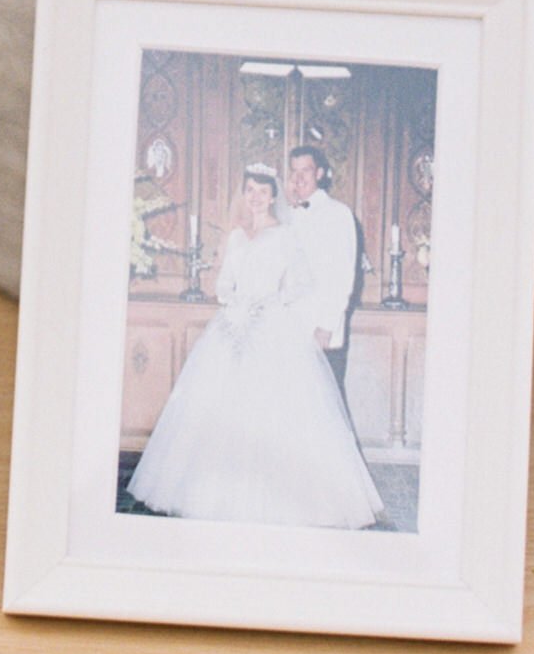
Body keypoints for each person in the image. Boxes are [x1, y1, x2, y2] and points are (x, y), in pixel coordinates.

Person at [126, 166, 384, 529]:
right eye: (250, 190)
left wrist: (271, 300)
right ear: (244, 194)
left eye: (262, 191)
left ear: (273, 196)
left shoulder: (284, 236)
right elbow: (225, 282)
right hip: (232, 325)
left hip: (271, 326)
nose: (256, 197)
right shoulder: (236, 237)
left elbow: (301, 281)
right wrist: (231, 299)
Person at [285, 141, 365, 389]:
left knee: (325, 407)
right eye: (294, 171)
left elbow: (342, 276)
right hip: (291, 329)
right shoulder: (289, 216)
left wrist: (326, 326)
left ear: (319, 174)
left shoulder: (338, 214)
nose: (298, 178)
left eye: (305, 171)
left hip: (321, 331)